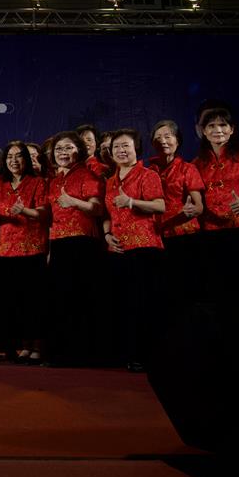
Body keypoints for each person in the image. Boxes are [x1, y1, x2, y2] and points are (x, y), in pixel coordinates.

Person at [102, 129, 165, 372]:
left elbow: (160, 205)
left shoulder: (148, 175)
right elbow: (107, 214)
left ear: (136, 148)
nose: (121, 150)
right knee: (123, 303)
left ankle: (146, 355)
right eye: (116, 147)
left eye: (126, 146)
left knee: (144, 304)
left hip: (144, 247)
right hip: (118, 248)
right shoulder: (110, 181)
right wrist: (107, 235)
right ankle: (127, 354)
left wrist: (131, 202)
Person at [45, 130, 105, 366]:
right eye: (58, 149)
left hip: (83, 241)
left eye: (68, 148)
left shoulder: (88, 175)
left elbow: (97, 208)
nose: (63, 152)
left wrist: (73, 202)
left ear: (78, 151)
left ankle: (84, 353)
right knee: (61, 298)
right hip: (59, 242)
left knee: (82, 297)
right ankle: (62, 352)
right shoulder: (54, 181)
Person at [192, 107, 239, 303]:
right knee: (216, 291)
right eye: (211, 126)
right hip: (209, 234)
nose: (218, 130)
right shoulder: (196, 164)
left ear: (232, 129)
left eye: (223, 125)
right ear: (204, 131)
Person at [0, 141, 48, 363]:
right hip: (5, 249)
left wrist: (24, 211)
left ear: (26, 159)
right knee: (12, 301)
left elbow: (43, 213)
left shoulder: (37, 182)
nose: (14, 160)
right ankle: (20, 346)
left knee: (33, 300)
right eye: (10, 156)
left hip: (32, 248)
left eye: (18, 156)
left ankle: (36, 346)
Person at [148, 119, 205, 311]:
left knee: (188, 290)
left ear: (177, 141)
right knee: (163, 292)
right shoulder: (148, 171)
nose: (163, 141)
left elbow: (199, 206)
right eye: (158, 137)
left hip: (185, 236)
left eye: (168, 136)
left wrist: (190, 211)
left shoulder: (188, 169)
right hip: (157, 236)